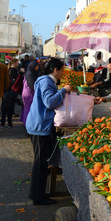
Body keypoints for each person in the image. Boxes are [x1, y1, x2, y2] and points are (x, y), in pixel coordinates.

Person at [26, 58, 72, 205]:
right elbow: (49, 102)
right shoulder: (46, 81)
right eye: (62, 70)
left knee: (41, 161)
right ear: (55, 70)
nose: (63, 73)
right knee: (40, 163)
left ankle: (37, 194)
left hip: (41, 125)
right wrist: (64, 90)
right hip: (39, 127)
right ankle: (38, 197)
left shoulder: (47, 81)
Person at [20, 60, 40, 126]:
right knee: (28, 109)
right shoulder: (30, 74)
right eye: (37, 66)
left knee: (26, 108)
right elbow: (32, 85)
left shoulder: (30, 72)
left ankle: (26, 122)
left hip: (27, 92)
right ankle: (27, 123)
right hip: (29, 94)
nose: (38, 67)